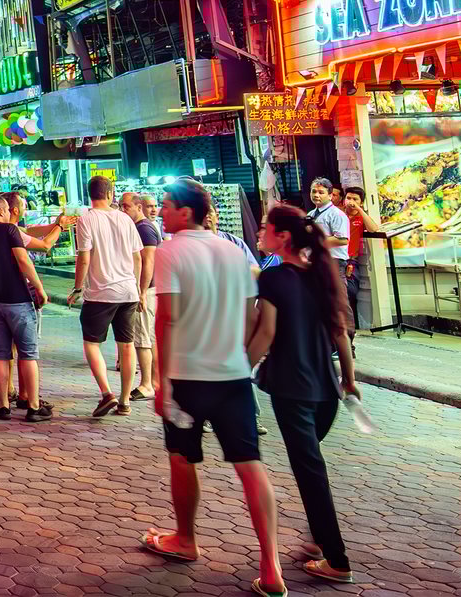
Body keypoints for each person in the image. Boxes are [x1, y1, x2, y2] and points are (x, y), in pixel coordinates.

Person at [142, 180, 284, 597]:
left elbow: (167, 319)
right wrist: (241, 359)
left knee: (182, 457)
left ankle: (185, 539)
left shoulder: (171, 251)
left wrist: (162, 381)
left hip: (188, 375)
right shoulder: (233, 251)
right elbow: (251, 316)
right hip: (232, 375)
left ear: (186, 212)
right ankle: (271, 565)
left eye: (166, 206)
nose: (161, 212)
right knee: (250, 465)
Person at [250, 204, 361, 585]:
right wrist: (349, 380)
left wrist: (238, 371)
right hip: (326, 391)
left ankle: (337, 560)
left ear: (283, 237)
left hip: (291, 389)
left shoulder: (274, 278)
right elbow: (340, 333)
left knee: (310, 473)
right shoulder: (321, 274)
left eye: (266, 228)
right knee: (311, 467)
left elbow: (266, 333)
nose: (260, 234)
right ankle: (317, 541)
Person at [0, 192, 60, 421]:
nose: (10, 213)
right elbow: (23, 260)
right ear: (1, 211)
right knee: (28, 353)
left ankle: (3, 406)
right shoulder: (10, 230)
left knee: (0, 353)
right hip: (18, 299)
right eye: (7, 210)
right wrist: (39, 287)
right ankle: (33, 406)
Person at [69, 175, 148, 418]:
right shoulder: (125, 219)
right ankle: (124, 401)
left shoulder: (86, 219)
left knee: (92, 344)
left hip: (101, 292)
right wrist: (137, 288)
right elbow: (137, 257)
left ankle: (106, 393)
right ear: (110, 194)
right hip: (128, 291)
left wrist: (78, 287)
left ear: (89, 194)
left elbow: (84, 257)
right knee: (127, 345)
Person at [121, 192, 162, 401]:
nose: (123, 210)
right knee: (149, 338)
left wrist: (142, 291)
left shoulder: (143, 228)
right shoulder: (140, 227)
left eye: (126, 206)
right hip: (149, 289)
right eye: (121, 206)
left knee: (142, 338)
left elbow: (149, 261)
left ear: (138, 207)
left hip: (148, 290)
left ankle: (147, 384)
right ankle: (154, 382)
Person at [340, 186, 378, 335]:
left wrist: (360, 210)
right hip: (337, 260)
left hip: (351, 262)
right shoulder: (338, 214)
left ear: (361, 202)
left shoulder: (361, 217)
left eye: (355, 199)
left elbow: (373, 228)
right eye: (348, 198)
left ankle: (350, 328)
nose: (351, 202)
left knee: (351, 292)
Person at [307, 178, 350, 267]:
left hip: (334, 262)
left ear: (330, 196)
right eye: (313, 191)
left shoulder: (336, 214)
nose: (316, 195)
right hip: (315, 261)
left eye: (321, 192)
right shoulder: (310, 214)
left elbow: (343, 240)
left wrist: (315, 240)